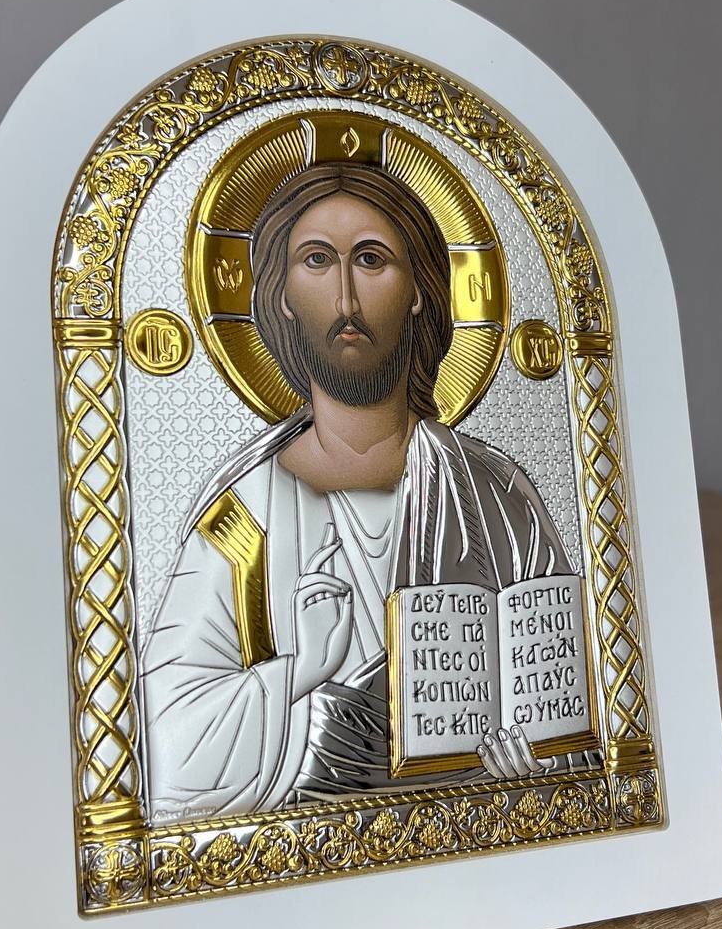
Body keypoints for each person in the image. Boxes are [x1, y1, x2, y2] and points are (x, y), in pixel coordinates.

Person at [140, 161, 571, 821]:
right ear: (283, 295)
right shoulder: (244, 514)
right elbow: (168, 738)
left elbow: (565, 705)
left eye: (371, 260)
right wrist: (303, 670)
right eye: (317, 260)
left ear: (420, 290)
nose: (346, 298)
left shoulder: (496, 495)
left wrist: (537, 766)